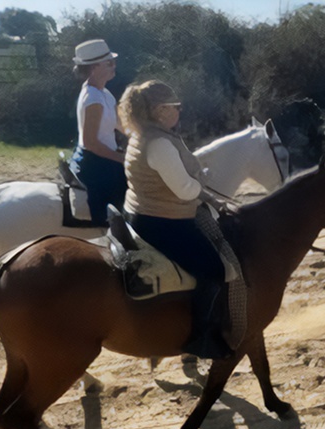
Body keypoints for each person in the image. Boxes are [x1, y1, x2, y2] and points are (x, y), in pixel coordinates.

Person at [118, 80, 232, 360]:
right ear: (159, 111)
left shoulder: (142, 135)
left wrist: (206, 195)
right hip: (163, 221)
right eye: (175, 107)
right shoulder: (160, 144)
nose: (179, 111)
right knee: (215, 269)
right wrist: (206, 194)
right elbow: (183, 189)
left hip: (138, 211)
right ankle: (201, 339)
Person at [70, 39, 128, 226]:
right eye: (109, 63)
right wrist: (122, 159)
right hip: (96, 162)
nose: (114, 66)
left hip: (105, 156)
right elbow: (90, 142)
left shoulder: (104, 93)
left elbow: (121, 125)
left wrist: (143, 138)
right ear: (94, 67)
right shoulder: (93, 98)